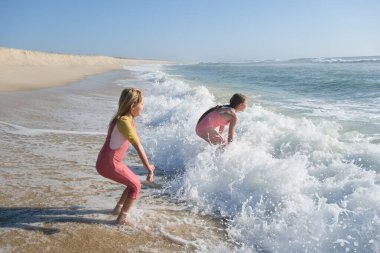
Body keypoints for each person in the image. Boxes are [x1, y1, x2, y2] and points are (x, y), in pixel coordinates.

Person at [96, 88, 155, 226]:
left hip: (106, 161)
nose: (143, 107)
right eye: (142, 104)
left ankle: (118, 209)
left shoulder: (122, 119)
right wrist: (149, 169)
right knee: (136, 186)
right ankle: (122, 219)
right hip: (110, 163)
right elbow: (138, 146)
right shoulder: (124, 122)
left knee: (132, 182)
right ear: (132, 106)